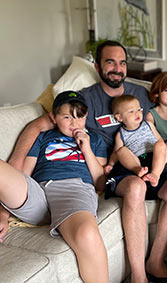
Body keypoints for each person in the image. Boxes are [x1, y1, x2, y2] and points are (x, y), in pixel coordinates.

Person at [6, 40, 167, 283]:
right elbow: (42, 125)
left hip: (142, 160)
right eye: (110, 62)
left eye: (122, 62)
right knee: (136, 187)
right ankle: (138, 276)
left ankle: (154, 261)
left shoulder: (140, 95)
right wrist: (10, 184)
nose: (117, 68)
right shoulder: (83, 100)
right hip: (119, 167)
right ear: (97, 66)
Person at [0, 91, 109, 283]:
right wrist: (3, 214)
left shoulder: (96, 140)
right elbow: (22, 174)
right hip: (39, 193)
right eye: (67, 117)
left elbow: (100, 182)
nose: (74, 123)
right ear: (53, 117)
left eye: (80, 116)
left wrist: (87, 149)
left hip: (73, 190)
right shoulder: (43, 137)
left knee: (87, 234)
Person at [104, 95, 167, 194]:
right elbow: (115, 153)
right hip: (138, 161)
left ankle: (155, 175)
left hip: (156, 158)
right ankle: (138, 170)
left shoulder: (148, 124)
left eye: (139, 109)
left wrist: (164, 150)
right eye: (131, 111)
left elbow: (159, 140)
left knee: (160, 145)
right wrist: (110, 164)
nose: (137, 113)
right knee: (121, 151)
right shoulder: (120, 134)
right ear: (119, 117)